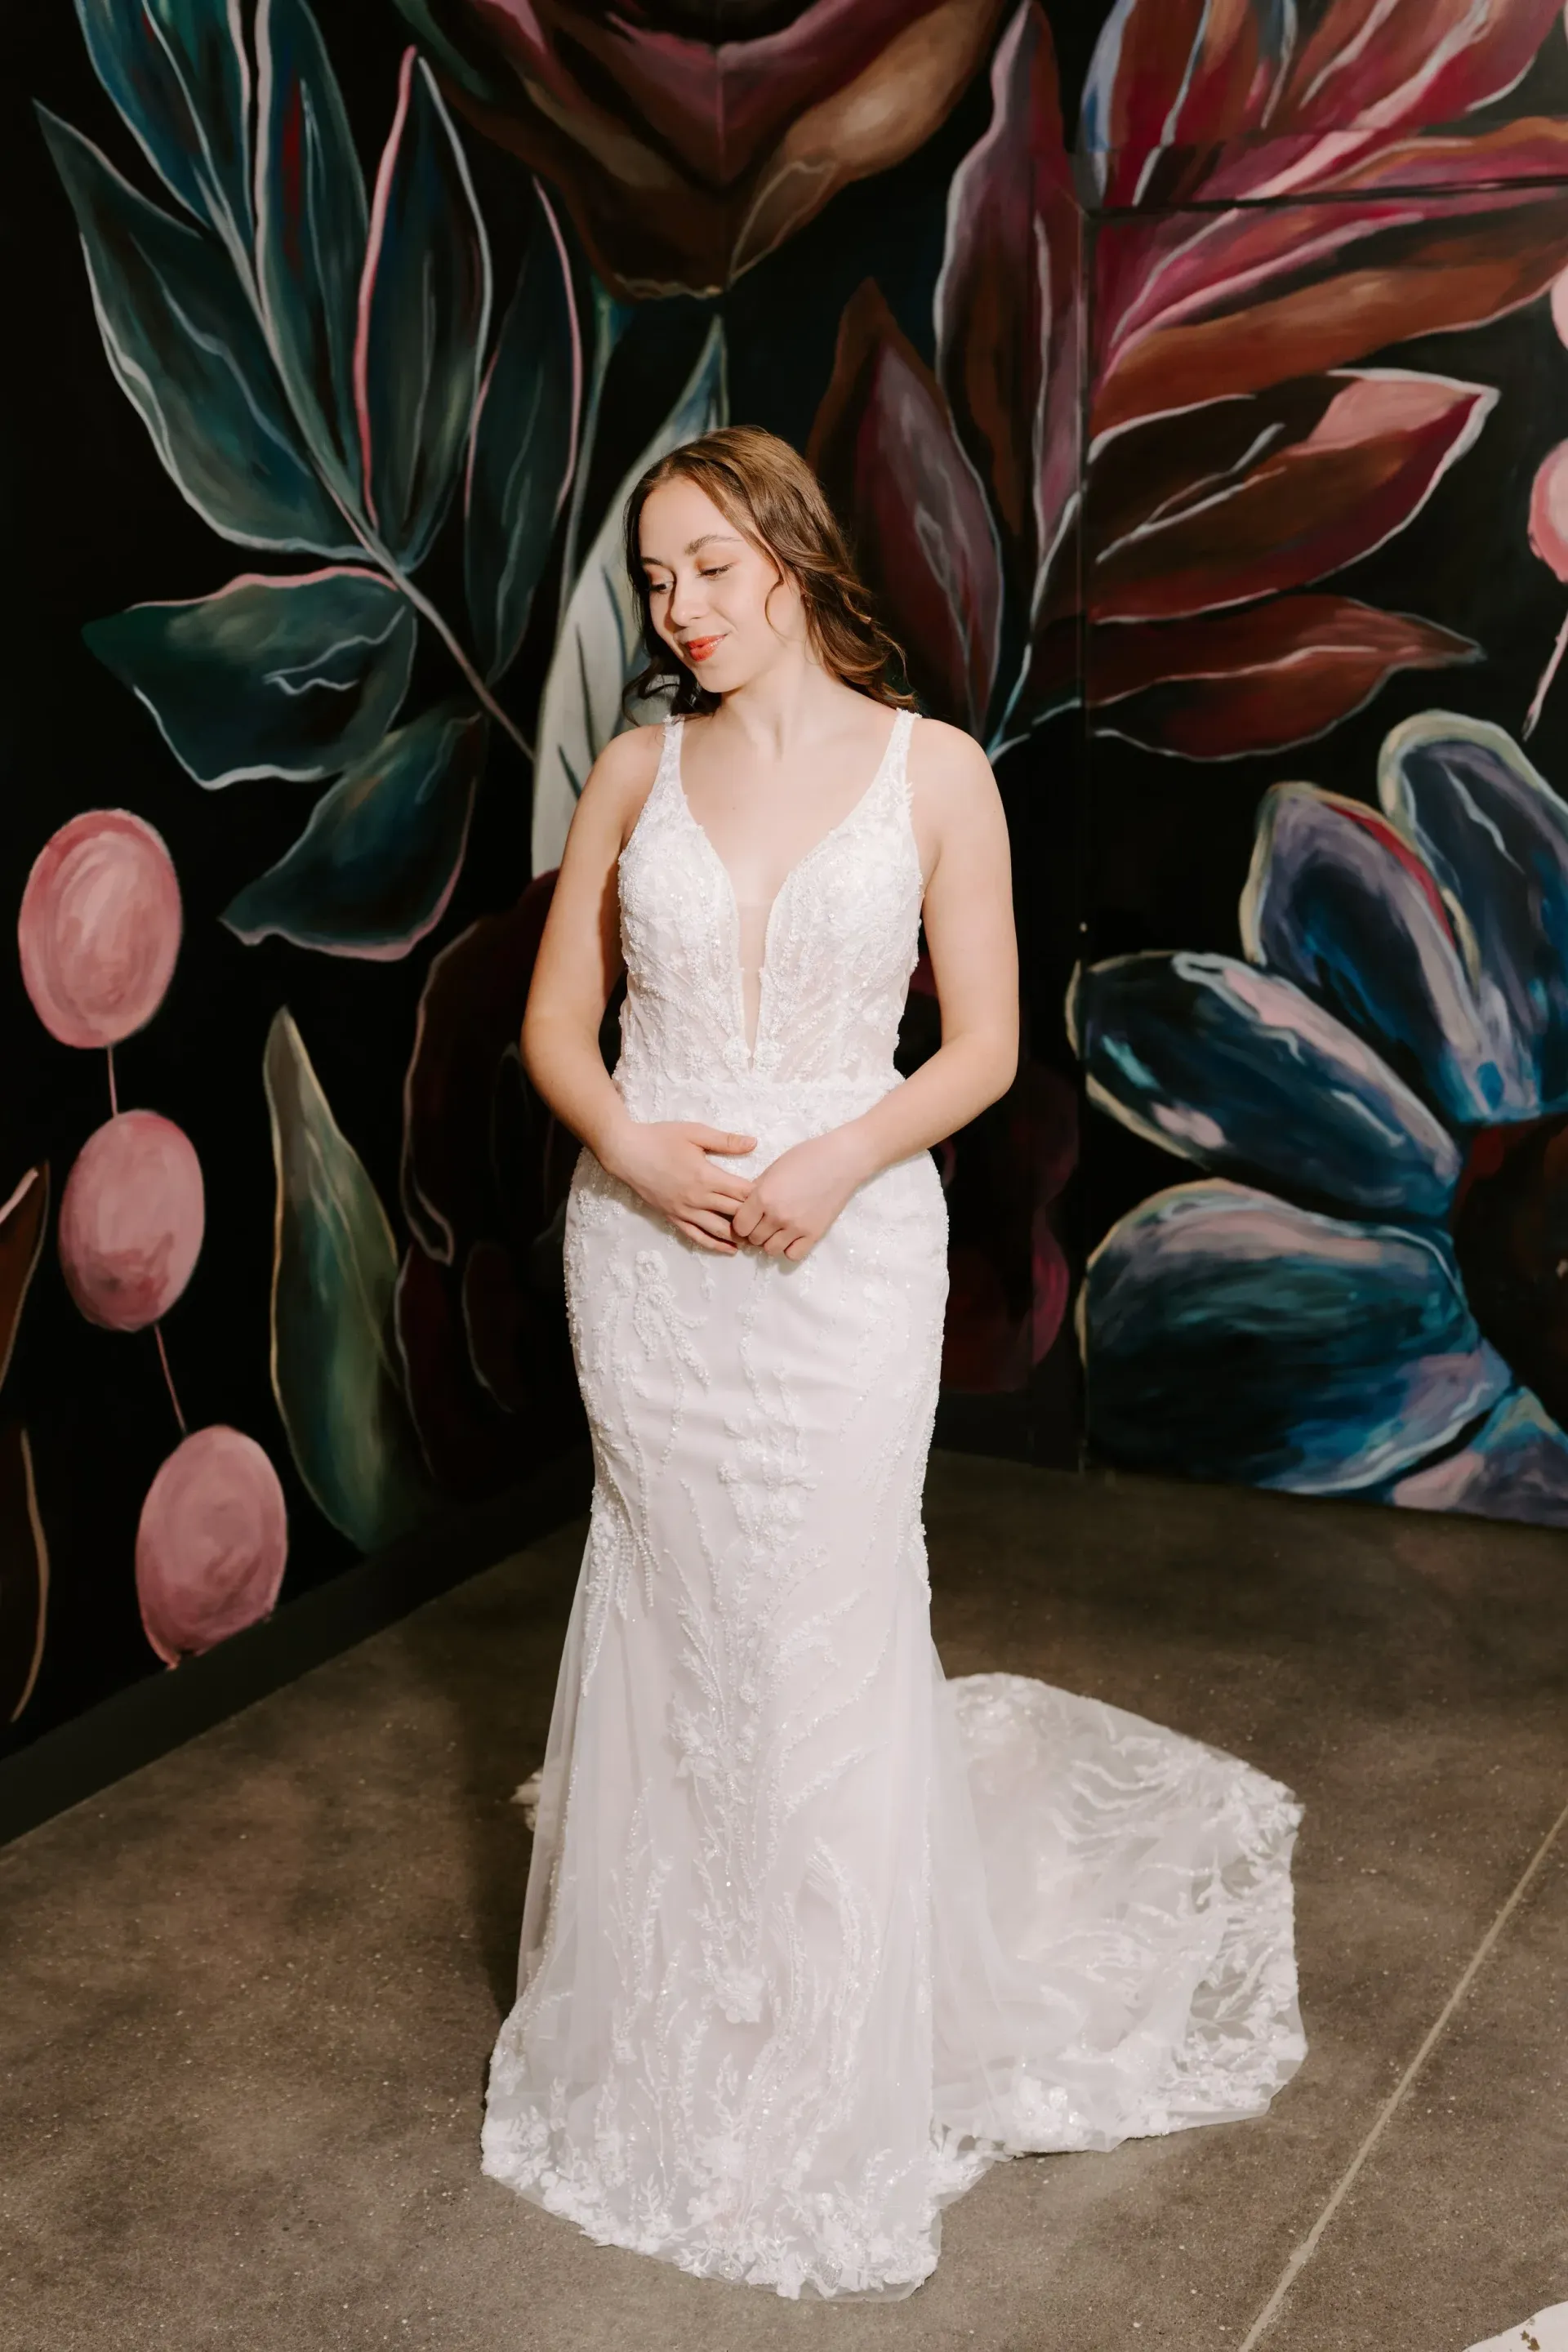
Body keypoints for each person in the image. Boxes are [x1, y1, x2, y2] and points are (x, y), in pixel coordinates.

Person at [481, 425, 1304, 2300]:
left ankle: (835, 2025)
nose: (675, 610)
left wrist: (839, 1162)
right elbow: (555, 1021)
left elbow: (986, 1045)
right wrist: (627, 1147)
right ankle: (685, 2007)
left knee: (827, 1608)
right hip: (653, 1263)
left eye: (705, 566)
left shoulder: (935, 771)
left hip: (847, 1255)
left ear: (789, 553)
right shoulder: (633, 770)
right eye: (655, 580)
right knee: (680, 1609)